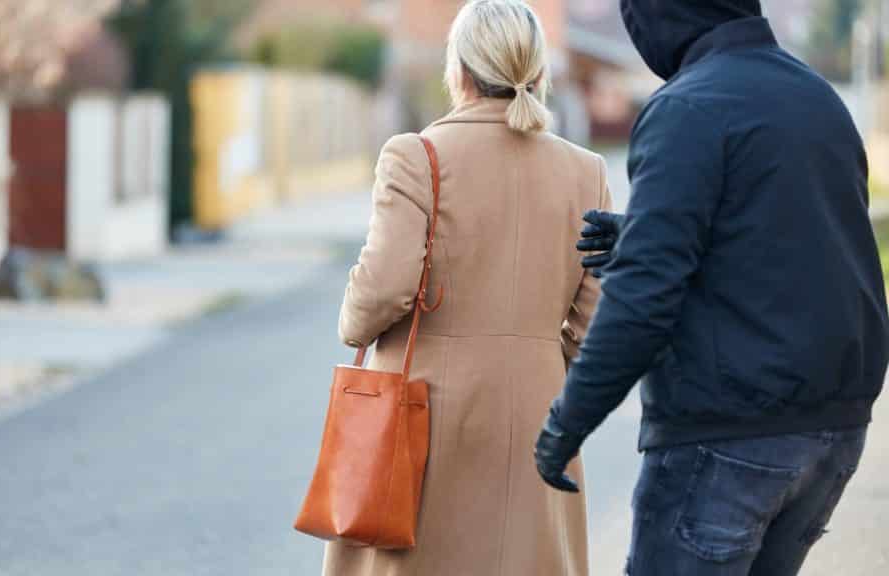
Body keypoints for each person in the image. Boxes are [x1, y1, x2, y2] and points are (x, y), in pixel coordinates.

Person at [534, 1, 889, 575]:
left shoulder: (688, 107)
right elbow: (793, 235)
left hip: (727, 438)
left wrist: (567, 423)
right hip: (836, 431)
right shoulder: (817, 98)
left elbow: (642, 300)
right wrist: (647, 234)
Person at [324, 1, 611, 574]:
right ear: (537, 72)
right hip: (541, 411)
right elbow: (593, 324)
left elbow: (383, 290)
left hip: (426, 414)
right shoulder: (587, 171)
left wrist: (352, 325)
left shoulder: (416, 157)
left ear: (457, 70)